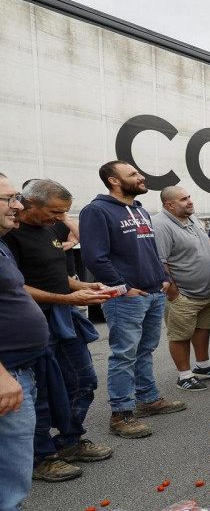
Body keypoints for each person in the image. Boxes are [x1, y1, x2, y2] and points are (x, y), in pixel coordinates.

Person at [3, 179, 112, 483]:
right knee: (40, 394)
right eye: (55, 211)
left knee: (83, 381)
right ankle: (42, 457)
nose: (60, 218)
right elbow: (17, 286)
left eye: (64, 212)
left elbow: (57, 276)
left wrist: (85, 286)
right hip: (34, 324)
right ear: (30, 204)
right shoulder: (10, 235)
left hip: (63, 319)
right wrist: (67, 299)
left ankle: (69, 441)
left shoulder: (49, 229)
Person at [80, 161, 185, 439]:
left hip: (153, 292)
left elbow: (149, 250)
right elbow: (94, 257)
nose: (141, 177)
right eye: (133, 174)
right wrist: (123, 288)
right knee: (124, 354)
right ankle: (121, 413)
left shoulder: (140, 209)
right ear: (114, 181)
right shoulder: (97, 210)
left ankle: (148, 399)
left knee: (145, 349)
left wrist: (163, 277)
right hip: (126, 297)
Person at [0, 173, 52, 511]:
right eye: (8, 199)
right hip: (6, 375)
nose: (18, 206)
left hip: (18, 370)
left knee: (12, 471)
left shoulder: (3, 243)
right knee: (10, 476)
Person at [153, 186, 210, 392]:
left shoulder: (191, 218)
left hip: (206, 293)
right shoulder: (161, 225)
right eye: (183, 199)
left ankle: (203, 365)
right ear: (169, 205)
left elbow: (204, 245)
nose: (190, 201)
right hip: (184, 294)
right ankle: (184, 375)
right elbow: (160, 261)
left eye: (189, 197)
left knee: (203, 328)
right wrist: (174, 293)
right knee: (180, 335)